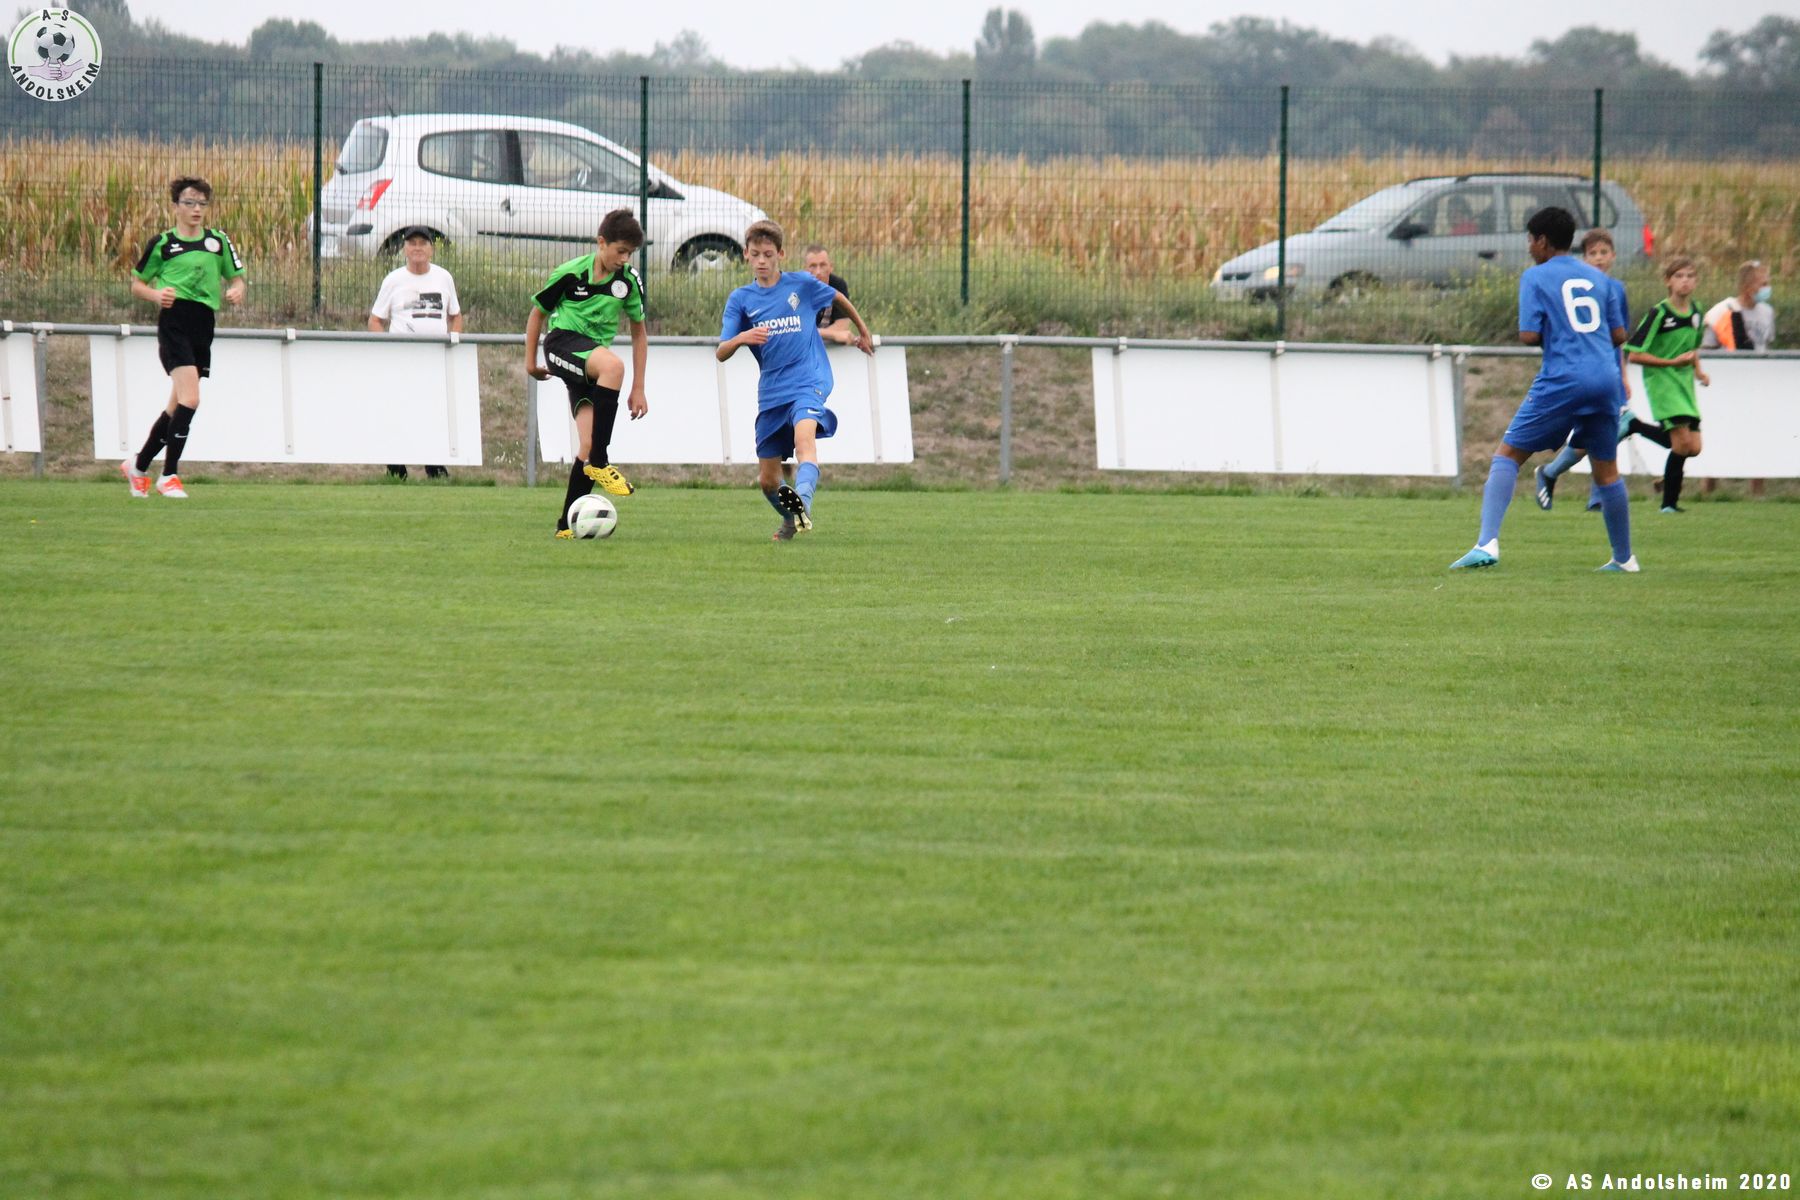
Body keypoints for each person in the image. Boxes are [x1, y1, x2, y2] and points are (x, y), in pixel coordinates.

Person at [1449, 206, 1636, 573]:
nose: (1529, 247)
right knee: (1606, 471)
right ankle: (1624, 558)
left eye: (1530, 240)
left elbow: (1528, 334)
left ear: (1543, 241)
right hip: (1605, 378)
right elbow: (1619, 334)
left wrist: (1559, 332)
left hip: (1565, 376)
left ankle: (1486, 544)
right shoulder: (1600, 279)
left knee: (1507, 455)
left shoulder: (1535, 276)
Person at [716, 220, 874, 542]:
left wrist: (863, 330)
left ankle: (804, 500)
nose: (762, 261)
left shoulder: (801, 284)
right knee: (768, 481)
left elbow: (838, 297)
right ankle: (791, 519)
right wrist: (743, 337)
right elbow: (721, 352)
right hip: (772, 392)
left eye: (768, 254)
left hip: (808, 381)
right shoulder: (741, 299)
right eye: (756, 254)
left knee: (805, 440)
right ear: (746, 254)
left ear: (781, 254)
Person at [524, 208, 649, 539]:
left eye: (630, 253)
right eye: (620, 251)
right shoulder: (571, 273)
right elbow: (537, 314)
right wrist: (530, 362)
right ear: (601, 242)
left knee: (587, 442)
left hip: (591, 363)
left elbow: (639, 333)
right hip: (562, 344)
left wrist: (638, 387)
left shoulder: (628, 281)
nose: (624, 259)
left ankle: (566, 525)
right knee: (613, 366)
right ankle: (601, 463)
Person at [119, 176, 247, 499]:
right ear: (176, 206)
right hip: (174, 321)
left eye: (202, 203)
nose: (196, 209)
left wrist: (236, 289)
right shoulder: (163, 243)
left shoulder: (218, 241)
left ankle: (137, 466)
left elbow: (237, 278)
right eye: (189, 203)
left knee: (176, 405)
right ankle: (169, 475)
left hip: (203, 323)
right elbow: (137, 284)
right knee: (191, 399)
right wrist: (155, 294)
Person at [1532, 228, 1632, 512]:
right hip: (1582, 373)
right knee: (1604, 431)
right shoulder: (1576, 287)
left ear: (1613, 256)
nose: (1599, 258)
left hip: (1608, 372)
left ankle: (1588, 491)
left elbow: (1619, 337)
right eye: (1593, 253)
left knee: (1607, 431)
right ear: (1584, 258)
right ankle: (1556, 474)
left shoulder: (1616, 289)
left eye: (1604, 252)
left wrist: (1623, 374)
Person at [368, 226, 462, 481]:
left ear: (432, 249)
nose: (417, 248)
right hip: (401, 361)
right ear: (404, 249)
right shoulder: (393, 280)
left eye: (423, 243)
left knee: (433, 413)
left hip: (434, 359)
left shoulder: (443, 278)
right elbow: (376, 320)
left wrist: (452, 344)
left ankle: (435, 465)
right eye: (412, 243)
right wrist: (387, 350)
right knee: (399, 412)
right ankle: (396, 467)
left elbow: (455, 316)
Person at [1622, 256, 1710, 514]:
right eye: (1679, 276)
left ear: (1696, 281)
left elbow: (1693, 349)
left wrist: (1699, 372)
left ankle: (1634, 425)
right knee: (1681, 444)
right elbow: (1634, 354)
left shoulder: (1697, 311)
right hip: (1662, 383)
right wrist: (1670, 362)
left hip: (1684, 386)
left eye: (1690, 276)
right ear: (1668, 281)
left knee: (1693, 447)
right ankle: (1669, 504)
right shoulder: (1659, 313)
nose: (1685, 281)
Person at [1699, 260, 1775, 497]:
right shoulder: (1722, 311)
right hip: (1728, 386)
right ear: (1747, 285)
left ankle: (1757, 491)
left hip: (1757, 384)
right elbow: (1706, 348)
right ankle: (1708, 489)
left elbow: (1766, 345)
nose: (1767, 287)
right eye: (1763, 283)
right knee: (1718, 433)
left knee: (1759, 434)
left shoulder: (1767, 312)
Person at [804, 244, 856, 345]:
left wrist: (815, 334)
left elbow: (842, 326)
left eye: (823, 265)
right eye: (813, 266)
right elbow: (795, 331)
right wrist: (833, 334)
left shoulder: (838, 285)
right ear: (805, 269)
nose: (818, 272)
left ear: (831, 267)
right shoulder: (796, 289)